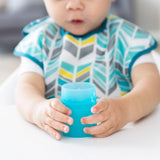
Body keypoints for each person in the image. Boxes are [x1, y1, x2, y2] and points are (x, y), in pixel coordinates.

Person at [14, 0, 160, 140]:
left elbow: (151, 85)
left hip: (119, 141)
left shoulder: (130, 38)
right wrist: (37, 110)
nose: (74, 5)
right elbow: (26, 87)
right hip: (59, 143)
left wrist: (125, 110)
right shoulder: (40, 39)